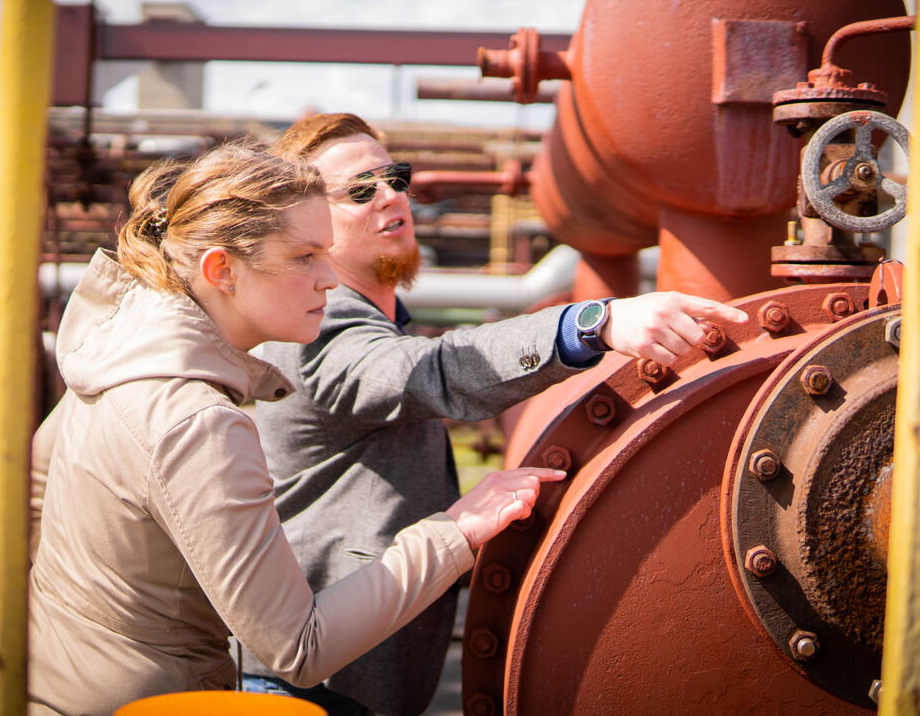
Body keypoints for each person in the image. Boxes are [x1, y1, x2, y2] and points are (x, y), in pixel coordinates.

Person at [0, 142, 566, 716]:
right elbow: (298, 648)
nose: (329, 279)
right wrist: (456, 531)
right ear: (222, 268)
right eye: (304, 257)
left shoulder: (108, 362)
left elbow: (31, 538)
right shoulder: (197, 424)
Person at [240, 114, 750, 715]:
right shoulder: (317, 325)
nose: (391, 195)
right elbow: (429, 372)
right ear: (304, 220)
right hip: (310, 689)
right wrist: (593, 324)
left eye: (395, 177)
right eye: (361, 188)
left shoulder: (361, 319)